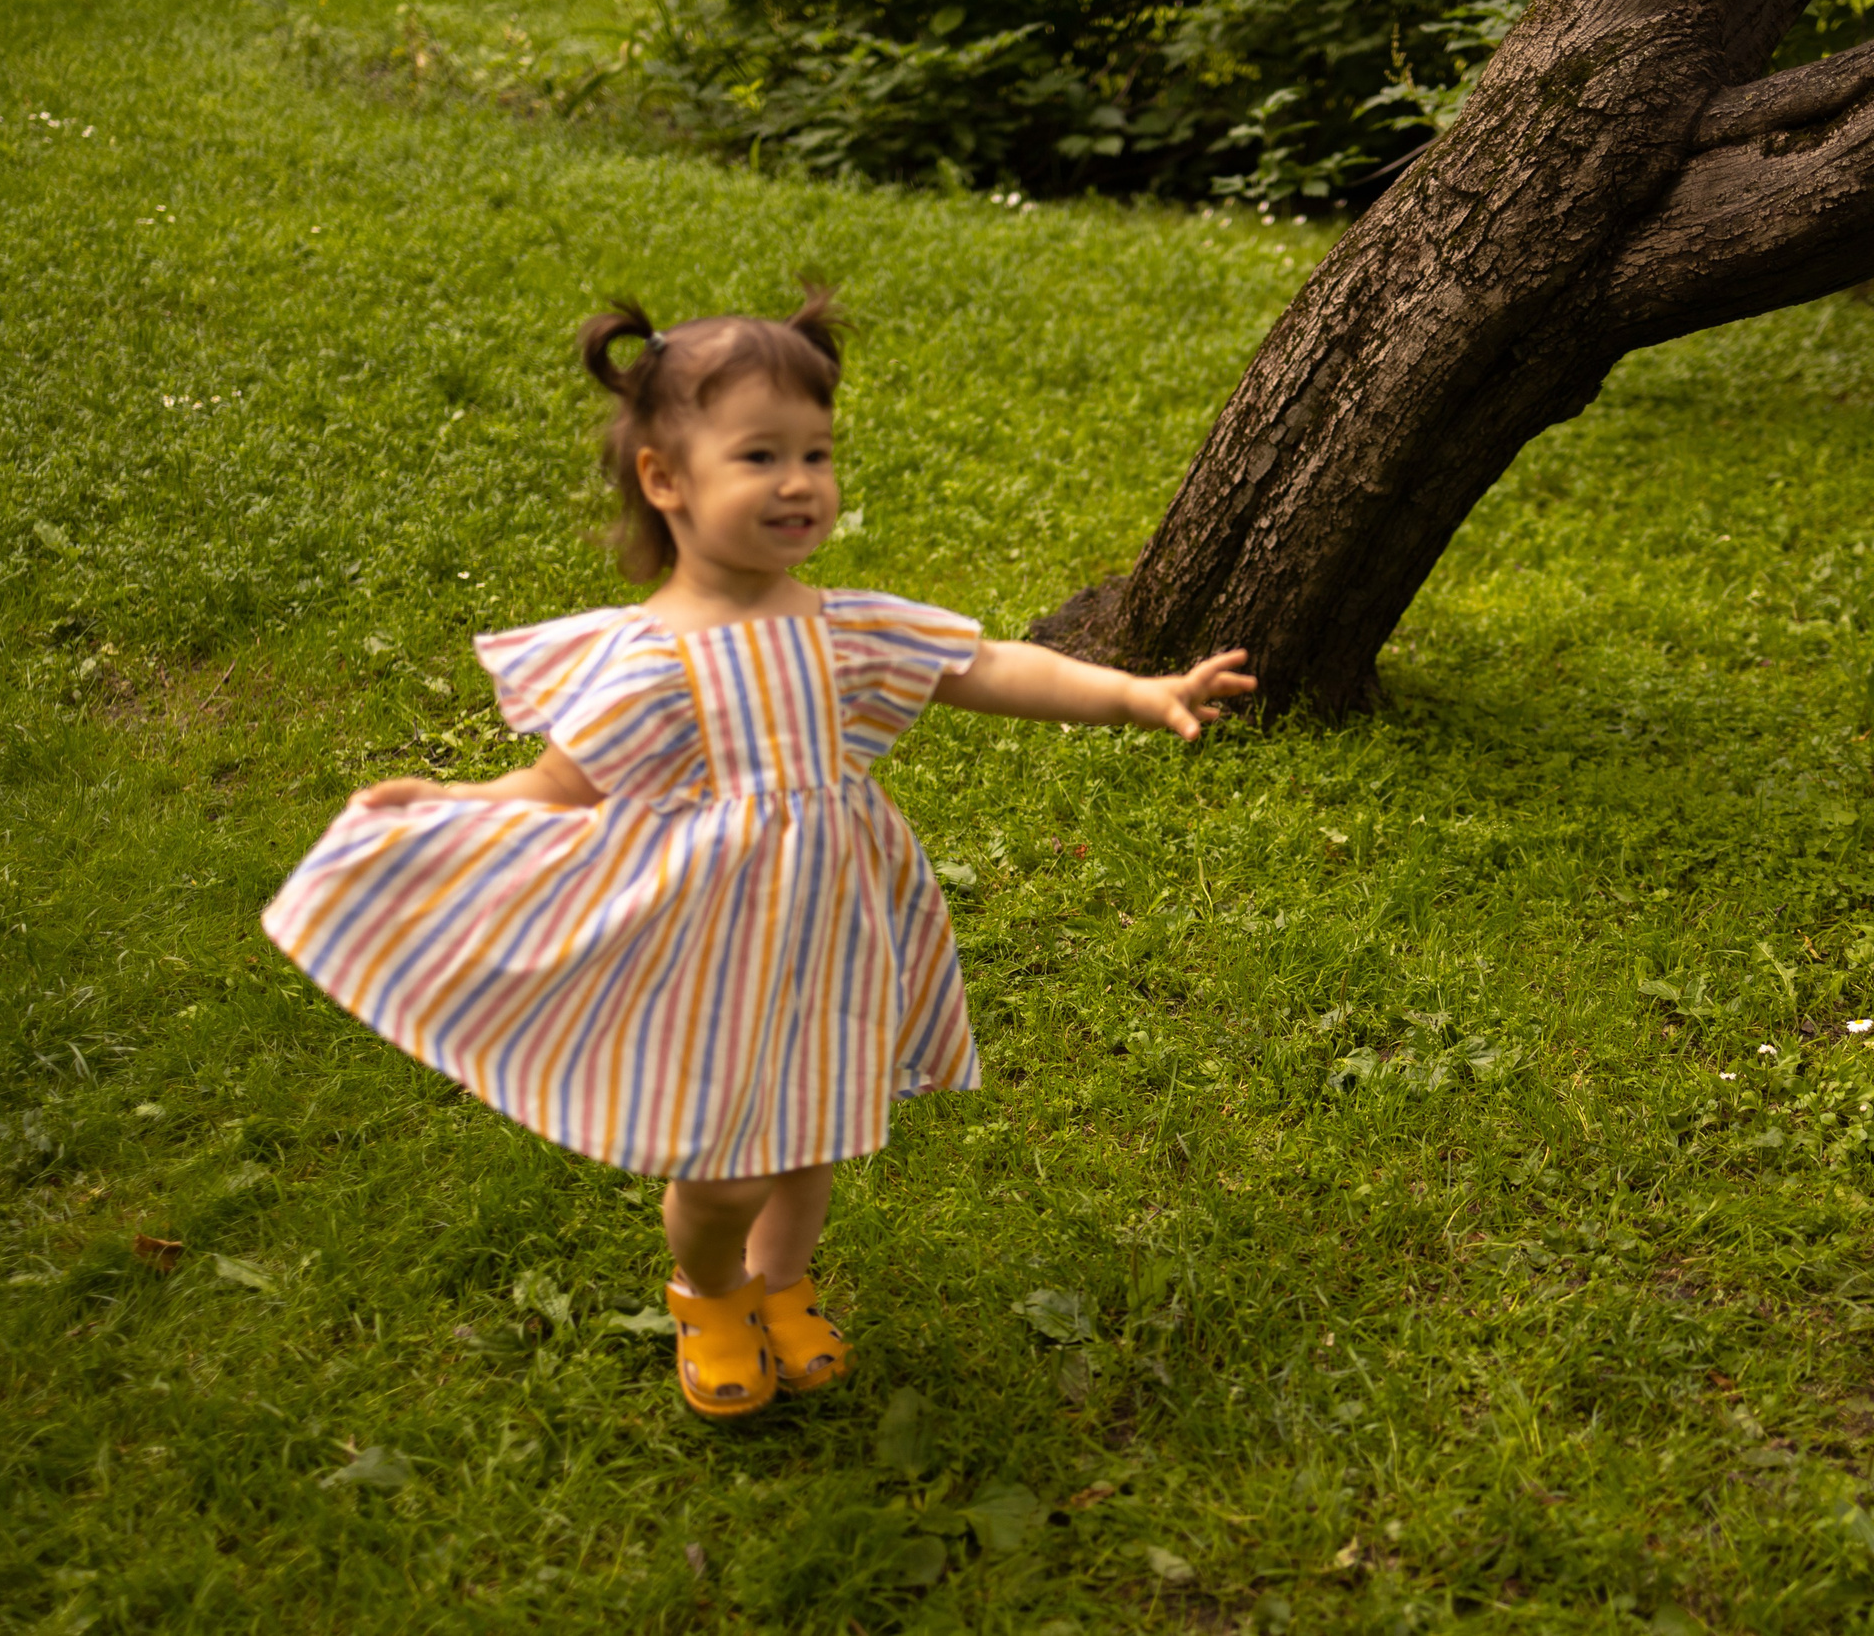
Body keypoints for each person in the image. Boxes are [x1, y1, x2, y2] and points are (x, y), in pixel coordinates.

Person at [262, 286, 1253, 1419]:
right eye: (760, 456)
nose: (798, 482)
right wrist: (453, 798)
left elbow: (978, 667)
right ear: (665, 481)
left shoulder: (844, 625)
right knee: (725, 1160)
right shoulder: (653, 661)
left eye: (816, 453)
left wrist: (1133, 693)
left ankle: (786, 1283)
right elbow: (560, 783)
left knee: (814, 1129)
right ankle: (710, 1288)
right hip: (710, 941)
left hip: (833, 922)